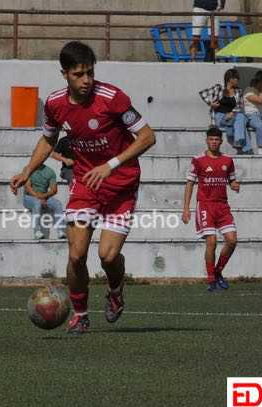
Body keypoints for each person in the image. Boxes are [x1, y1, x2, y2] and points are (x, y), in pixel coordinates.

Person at [10, 41, 156, 335]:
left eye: (90, 72)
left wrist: (111, 165)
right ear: (64, 74)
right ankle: (80, 314)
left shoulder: (112, 98)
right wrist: (27, 170)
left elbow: (147, 137)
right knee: (76, 254)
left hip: (121, 184)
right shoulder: (55, 104)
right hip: (86, 183)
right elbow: (48, 139)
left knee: (108, 257)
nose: (86, 80)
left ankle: (115, 289)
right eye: (79, 74)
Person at [182, 127, 239, 293]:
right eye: (211, 139)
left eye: (216, 139)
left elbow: (232, 180)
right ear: (206, 140)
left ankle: (218, 271)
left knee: (232, 240)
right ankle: (211, 279)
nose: (214, 142)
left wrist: (234, 185)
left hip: (222, 206)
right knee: (211, 241)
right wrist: (186, 209)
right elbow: (190, 183)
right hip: (205, 205)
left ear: (221, 141)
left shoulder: (228, 160)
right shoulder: (198, 160)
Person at [199, 68, 248, 152]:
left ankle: (236, 140)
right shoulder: (219, 88)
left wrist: (232, 113)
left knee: (241, 116)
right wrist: (210, 103)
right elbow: (202, 93)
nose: (238, 80)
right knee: (241, 122)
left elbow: (240, 106)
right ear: (230, 79)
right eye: (236, 78)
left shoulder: (238, 91)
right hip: (220, 116)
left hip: (232, 117)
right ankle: (243, 146)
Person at [23, 164, 66, 240]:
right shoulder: (28, 169)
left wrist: (43, 196)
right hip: (29, 197)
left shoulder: (49, 171)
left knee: (57, 204)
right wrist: (40, 197)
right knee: (37, 203)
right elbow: (27, 187)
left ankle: (60, 231)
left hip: (44, 196)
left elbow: (54, 190)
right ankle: (37, 231)